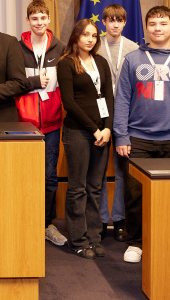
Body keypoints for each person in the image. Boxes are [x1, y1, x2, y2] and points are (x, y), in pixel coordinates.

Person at [114, 6, 170, 264]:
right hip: (137, 138)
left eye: (162, 23)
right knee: (134, 194)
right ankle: (136, 242)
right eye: (152, 24)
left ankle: (168, 237)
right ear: (146, 28)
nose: (157, 28)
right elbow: (123, 99)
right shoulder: (133, 59)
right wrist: (122, 135)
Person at [57, 19, 114, 259]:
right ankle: (78, 240)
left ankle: (94, 237)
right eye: (85, 35)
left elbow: (109, 97)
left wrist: (108, 128)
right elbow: (69, 103)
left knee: (96, 187)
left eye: (93, 35)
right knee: (78, 188)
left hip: (103, 133)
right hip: (79, 133)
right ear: (76, 37)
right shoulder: (66, 64)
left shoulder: (100, 61)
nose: (90, 39)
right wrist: (94, 130)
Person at [15, 0, 67, 246]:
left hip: (52, 122)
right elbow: (12, 83)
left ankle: (46, 224)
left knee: (49, 177)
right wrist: (35, 81)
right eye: (34, 18)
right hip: (23, 123)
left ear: (48, 20)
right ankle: (23, 222)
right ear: (28, 21)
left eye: (43, 18)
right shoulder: (16, 49)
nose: (39, 22)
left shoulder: (60, 48)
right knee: (23, 175)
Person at [96, 4, 139, 242]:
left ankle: (120, 220)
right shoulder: (94, 46)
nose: (115, 24)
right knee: (100, 172)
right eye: (110, 20)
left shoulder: (134, 48)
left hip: (126, 117)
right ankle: (102, 220)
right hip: (100, 116)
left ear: (124, 23)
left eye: (119, 21)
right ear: (103, 21)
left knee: (123, 172)